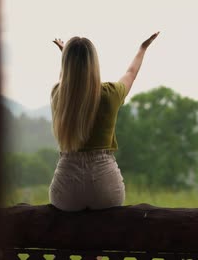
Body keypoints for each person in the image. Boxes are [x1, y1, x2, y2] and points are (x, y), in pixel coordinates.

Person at [48, 32, 160, 211]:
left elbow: (69, 83)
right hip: (104, 186)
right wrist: (142, 48)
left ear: (66, 65)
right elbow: (130, 73)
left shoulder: (57, 95)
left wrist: (67, 55)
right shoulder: (110, 94)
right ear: (94, 64)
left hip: (66, 188)